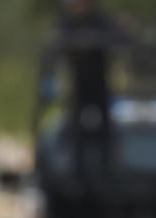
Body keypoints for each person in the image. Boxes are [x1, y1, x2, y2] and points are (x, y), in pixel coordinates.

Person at [57, 0, 118, 177]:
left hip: (99, 84)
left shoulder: (101, 21)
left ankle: (107, 170)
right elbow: (58, 42)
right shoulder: (67, 23)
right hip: (78, 86)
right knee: (76, 127)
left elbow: (117, 37)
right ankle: (76, 172)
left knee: (105, 128)